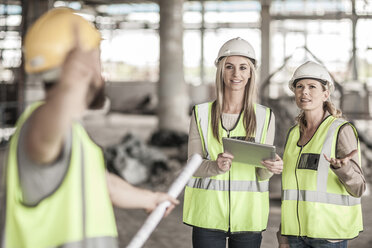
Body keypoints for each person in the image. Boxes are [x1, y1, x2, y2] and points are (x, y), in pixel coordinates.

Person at [0, 8, 178, 248]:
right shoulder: (39, 124)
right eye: (97, 57)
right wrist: (75, 75)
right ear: (80, 63)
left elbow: (103, 182)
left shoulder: (75, 133)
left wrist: (150, 198)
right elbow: (44, 138)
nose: (101, 70)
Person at [183, 37, 283, 248]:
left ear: (250, 73)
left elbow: (261, 174)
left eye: (242, 67)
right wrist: (214, 166)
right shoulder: (200, 114)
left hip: (248, 217)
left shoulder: (265, 116)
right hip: (208, 215)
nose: (236, 74)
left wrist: (271, 168)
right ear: (220, 70)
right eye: (229, 67)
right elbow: (192, 167)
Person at [277, 61, 366, 248]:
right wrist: (283, 232)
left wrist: (343, 169)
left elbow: (359, 188)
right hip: (295, 235)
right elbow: (292, 189)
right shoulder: (293, 134)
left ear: (326, 94)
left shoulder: (340, 130)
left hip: (328, 236)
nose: (304, 92)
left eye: (312, 87)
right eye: (299, 86)